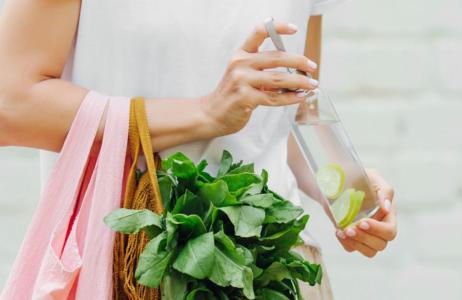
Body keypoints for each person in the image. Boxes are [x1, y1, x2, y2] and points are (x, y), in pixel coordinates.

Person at [0, 0, 397, 298]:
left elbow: (286, 113)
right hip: (129, 272)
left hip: (277, 271)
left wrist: (347, 193)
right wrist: (205, 113)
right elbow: (10, 106)